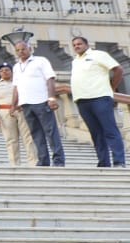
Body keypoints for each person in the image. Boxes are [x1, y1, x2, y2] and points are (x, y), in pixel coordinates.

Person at [69, 36, 126, 167]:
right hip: (82, 101)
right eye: (74, 45)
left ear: (86, 44)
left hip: (100, 98)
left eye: (79, 44)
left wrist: (111, 88)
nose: (77, 46)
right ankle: (103, 162)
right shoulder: (75, 61)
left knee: (110, 130)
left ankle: (119, 161)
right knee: (96, 133)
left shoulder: (98, 55)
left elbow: (118, 69)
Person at [12, 39, 65, 167]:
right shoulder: (16, 67)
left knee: (51, 132)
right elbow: (16, 87)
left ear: (30, 49)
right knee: (36, 134)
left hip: (41, 101)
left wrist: (51, 98)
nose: (21, 52)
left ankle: (58, 160)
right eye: (18, 50)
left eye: (23, 49)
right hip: (26, 104)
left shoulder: (41, 61)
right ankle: (43, 160)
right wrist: (14, 104)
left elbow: (50, 79)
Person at [0, 63, 35, 166]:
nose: (4, 72)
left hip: (21, 110)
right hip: (5, 112)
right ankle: (15, 164)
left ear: (11, 72)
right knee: (11, 139)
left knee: (28, 137)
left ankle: (33, 162)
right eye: (2, 71)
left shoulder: (18, 83)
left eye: (7, 70)